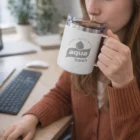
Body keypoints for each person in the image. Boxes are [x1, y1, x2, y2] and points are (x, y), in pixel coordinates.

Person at [0, 0, 140, 139]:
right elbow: (63, 94)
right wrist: (31, 118)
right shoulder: (88, 39)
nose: (91, 9)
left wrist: (124, 84)